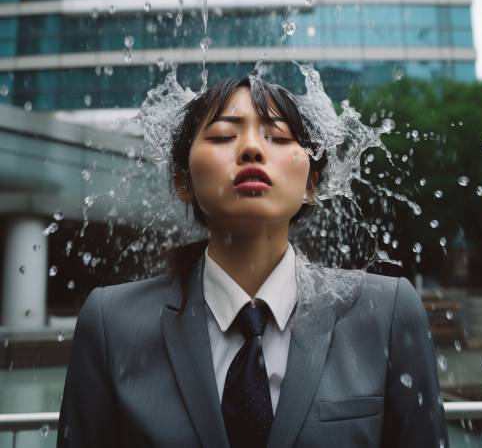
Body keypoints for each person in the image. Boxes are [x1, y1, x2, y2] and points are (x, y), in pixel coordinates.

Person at [57, 76, 449, 448]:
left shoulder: (386, 314)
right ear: (182, 181)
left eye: (278, 137)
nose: (251, 148)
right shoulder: (111, 324)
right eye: (223, 135)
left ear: (313, 183)